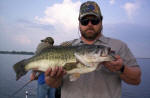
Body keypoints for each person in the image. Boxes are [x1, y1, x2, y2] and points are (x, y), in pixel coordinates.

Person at [44, 1, 141, 98]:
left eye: (94, 20)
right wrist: (53, 77)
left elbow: (137, 80)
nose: (90, 24)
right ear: (79, 24)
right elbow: (53, 84)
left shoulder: (118, 46)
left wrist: (122, 68)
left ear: (101, 21)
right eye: (85, 21)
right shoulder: (65, 47)